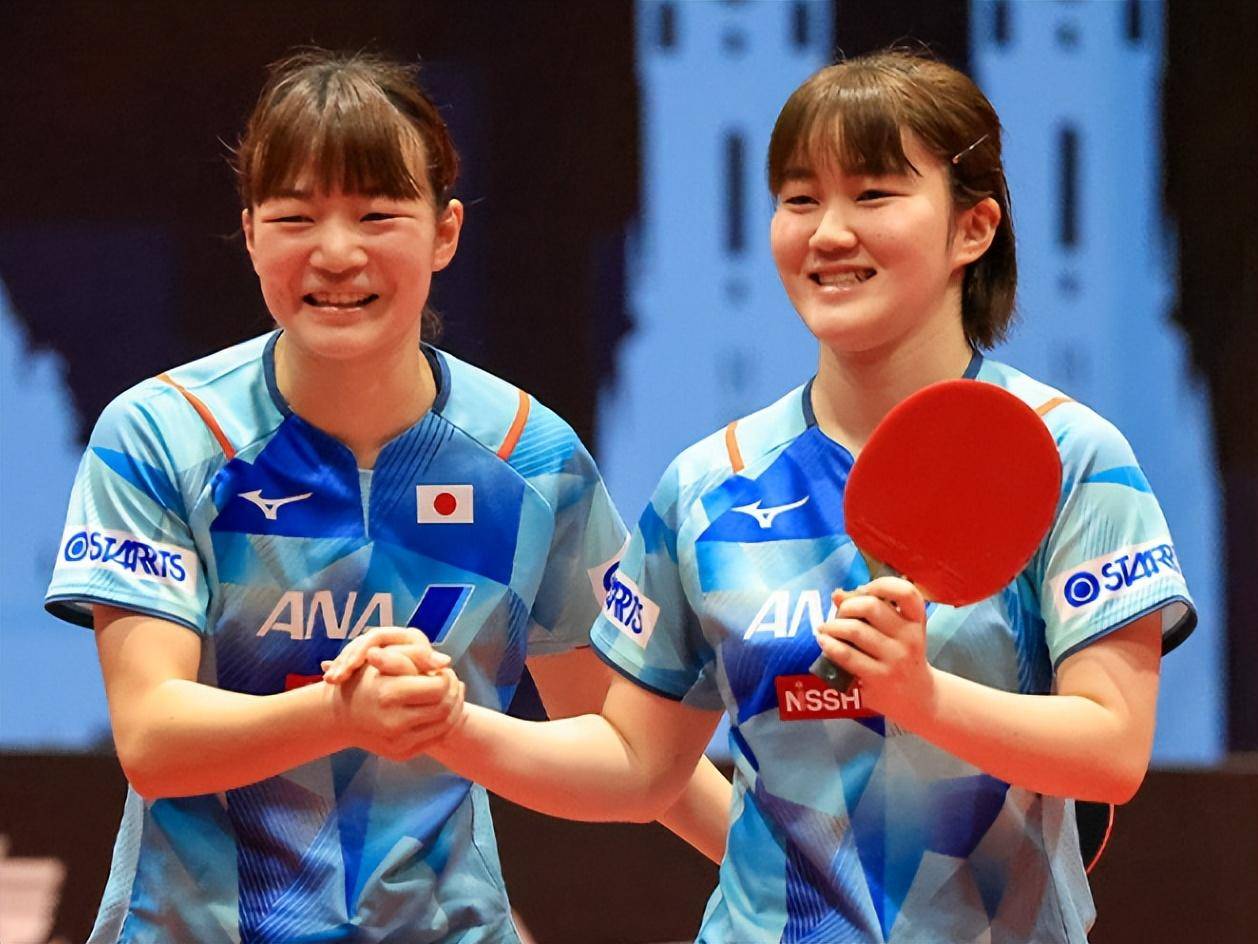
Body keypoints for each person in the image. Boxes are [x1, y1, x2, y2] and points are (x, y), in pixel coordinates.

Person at [329, 49, 1196, 942]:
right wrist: (450, 725)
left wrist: (923, 697)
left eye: (874, 194)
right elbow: (636, 764)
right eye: (800, 199)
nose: (828, 233)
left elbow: (1110, 750)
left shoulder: (1068, 456)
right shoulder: (709, 482)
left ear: (973, 228)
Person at [45, 48, 730, 944]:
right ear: (250, 234)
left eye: (377, 214)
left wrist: (808, 885)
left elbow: (628, 744)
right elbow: (153, 738)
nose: (337, 253)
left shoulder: (531, 458)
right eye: (295, 217)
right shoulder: (163, 435)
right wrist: (344, 713)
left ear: (445, 232)